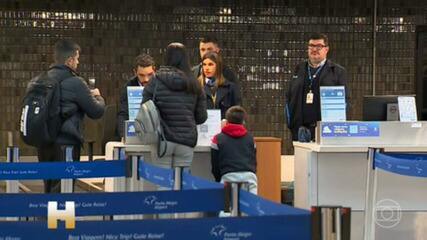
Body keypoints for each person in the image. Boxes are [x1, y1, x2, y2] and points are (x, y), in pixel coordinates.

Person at [35, 39, 105, 193]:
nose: (78, 62)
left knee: (49, 187)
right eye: (77, 58)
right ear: (70, 60)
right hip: (66, 145)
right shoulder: (76, 82)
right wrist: (98, 97)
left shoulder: (42, 79)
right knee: (64, 190)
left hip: (44, 143)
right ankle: (61, 217)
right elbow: (96, 111)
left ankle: (50, 215)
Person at [142, 42, 207, 170]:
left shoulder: (156, 81)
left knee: (163, 182)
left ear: (166, 58)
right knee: (182, 183)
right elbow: (201, 117)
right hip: (186, 141)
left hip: (163, 140)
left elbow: (145, 109)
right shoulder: (195, 83)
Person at [285, 33, 348, 141]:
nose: (314, 49)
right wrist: (291, 123)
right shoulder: (298, 69)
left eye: (319, 46)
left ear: (326, 49)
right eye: (311, 46)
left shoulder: (337, 72)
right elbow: (289, 97)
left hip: (326, 131)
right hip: (299, 131)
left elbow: (345, 102)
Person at [210, 106, 257, 195]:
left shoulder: (218, 138)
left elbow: (215, 165)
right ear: (243, 122)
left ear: (227, 122)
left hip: (228, 176)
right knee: (251, 207)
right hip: (249, 177)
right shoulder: (251, 138)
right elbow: (253, 160)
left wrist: (219, 178)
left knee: (226, 207)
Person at [117, 54, 156, 138]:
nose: (146, 79)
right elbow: (123, 113)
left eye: (150, 75)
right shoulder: (128, 86)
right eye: (141, 75)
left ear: (154, 71)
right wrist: (123, 136)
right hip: (135, 130)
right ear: (135, 72)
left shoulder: (160, 85)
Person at [198, 51, 241, 119]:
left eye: (210, 64)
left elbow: (237, 111)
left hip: (224, 127)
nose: (206, 68)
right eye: (204, 64)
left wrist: (227, 121)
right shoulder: (196, 86)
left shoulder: (230, 87)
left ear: (218, 66)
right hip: (203, 127)